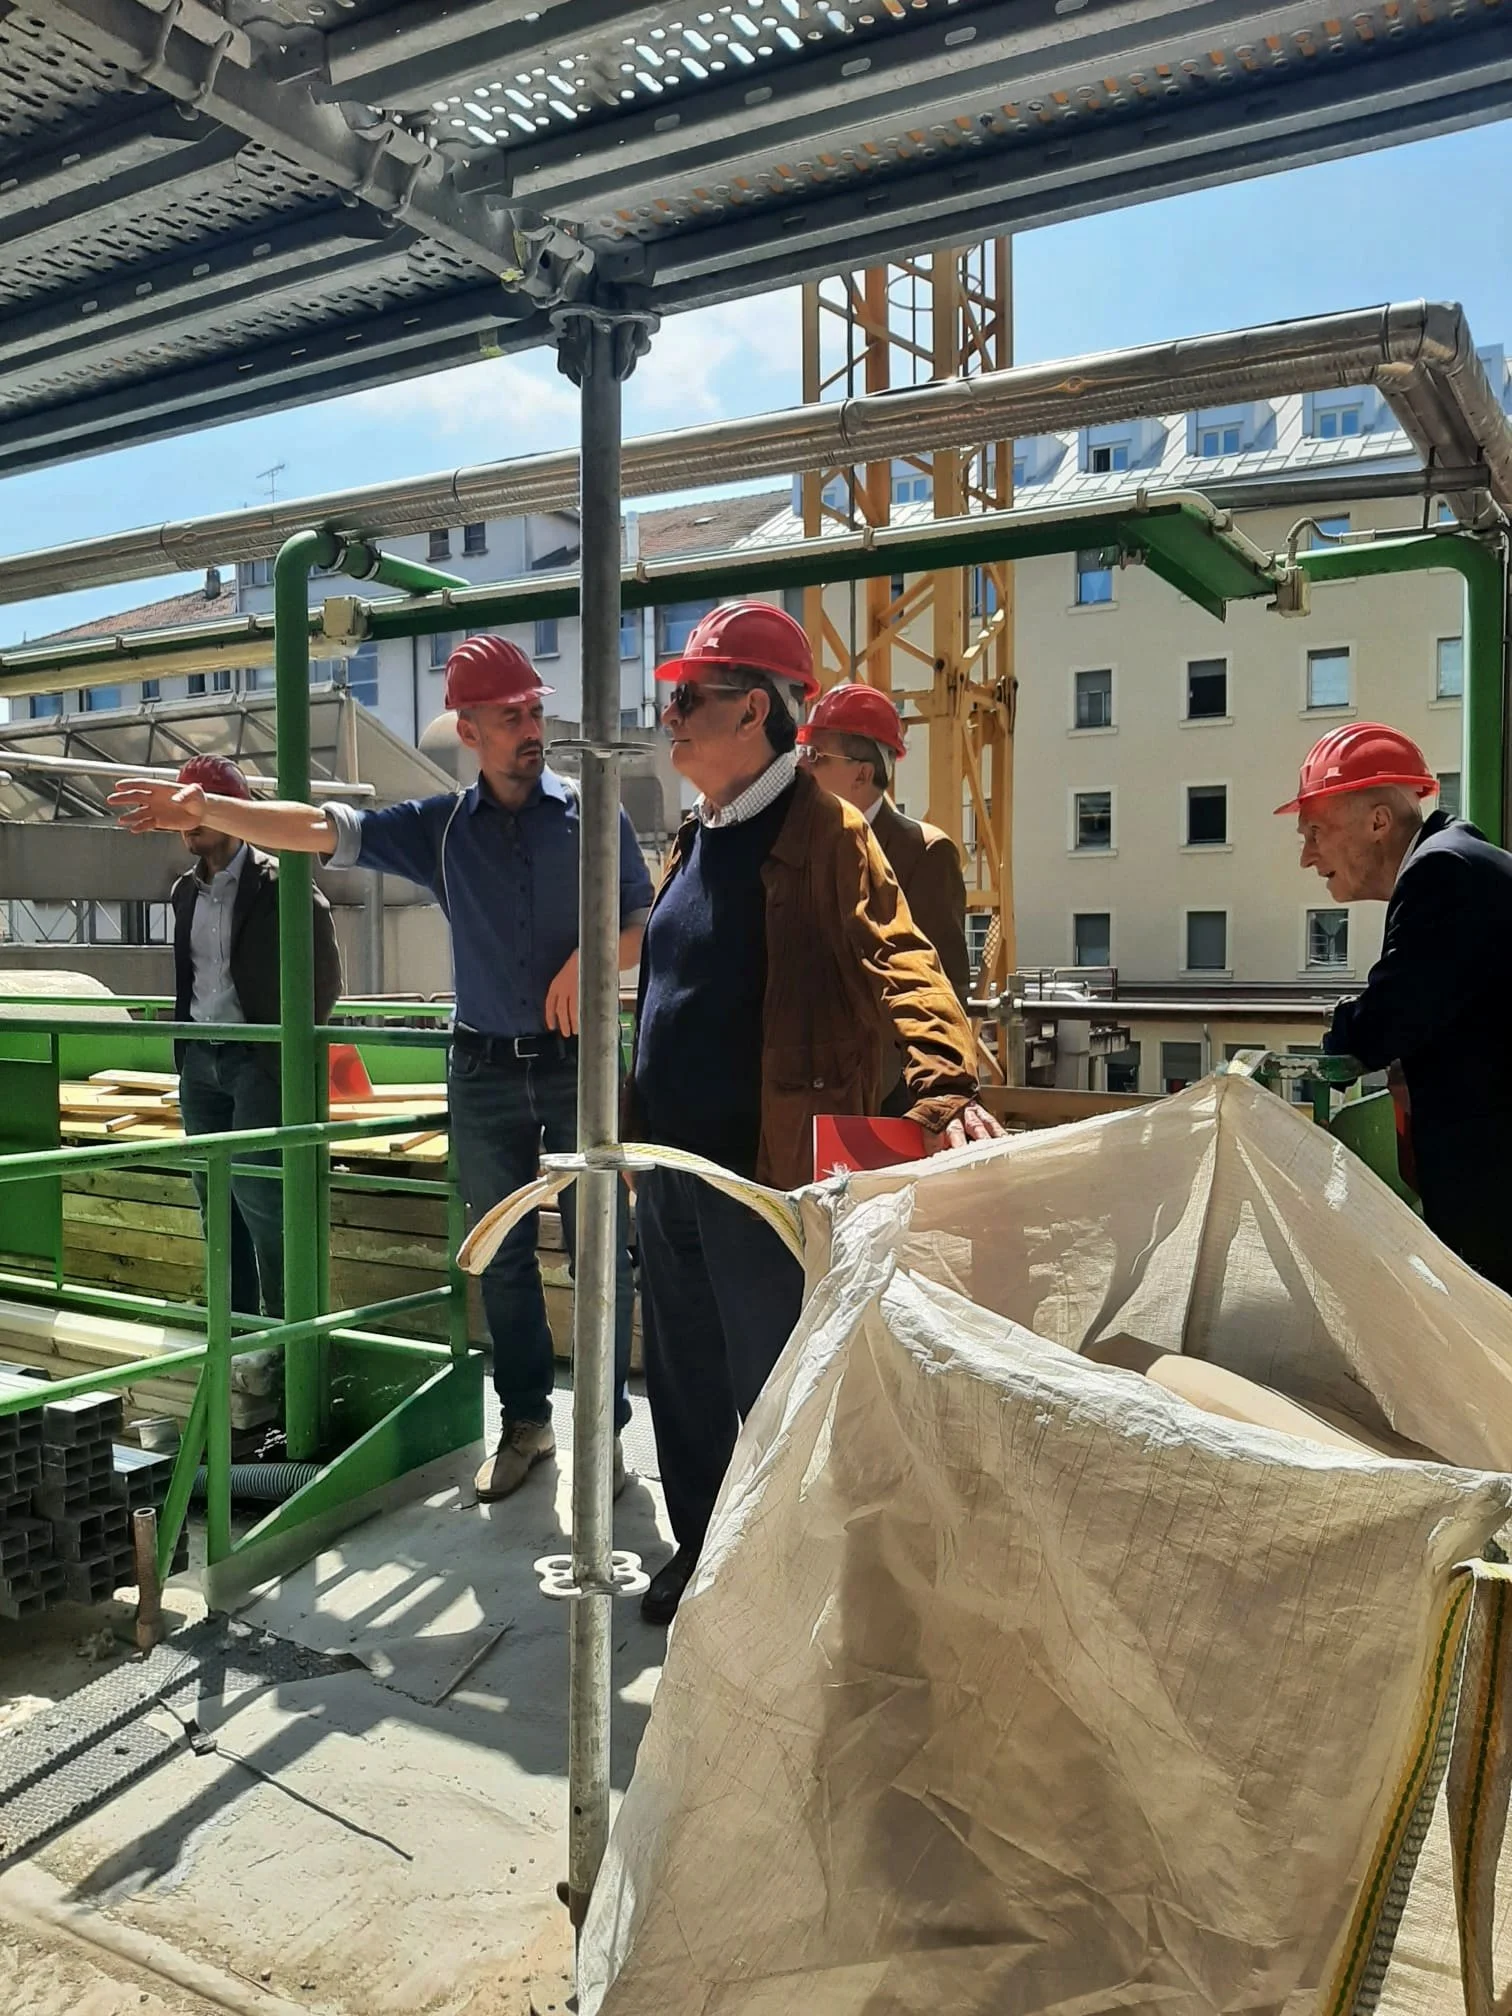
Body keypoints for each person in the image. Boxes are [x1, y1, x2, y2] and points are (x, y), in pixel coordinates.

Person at [113, 637, 654, 1500]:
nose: (531, 728)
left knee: (603, 1254)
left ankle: (606, 1439)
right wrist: (208, 811)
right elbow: (314, 828)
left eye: (533, 710)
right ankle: (527, 1426)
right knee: (503, 1256)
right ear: (468, 731)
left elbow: (640, 920)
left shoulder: (595, 817)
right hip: (480, 1068)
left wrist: (591, 957)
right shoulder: (439, 831)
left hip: (576, 1066)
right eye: (509, 716)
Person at [627, 600, 1003, 1624]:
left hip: (761, 1173)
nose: (673, 720)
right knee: (685, 1380)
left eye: (689, 701)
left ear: (753, 711)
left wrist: (945, 1083)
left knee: (777, 1387)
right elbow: (671, 992)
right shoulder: (696, 836)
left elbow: (904, 956)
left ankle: (788, 1576)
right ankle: (702, 1552)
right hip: (666, 1167)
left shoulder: (829, 833)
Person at [1280, 720, 1512, 1292]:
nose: (1307, 857)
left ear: (1378, 821)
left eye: (1315, 833)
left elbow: (1388, 1021)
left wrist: (1341, 1032)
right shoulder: (1459, 858)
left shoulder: (1440, 873)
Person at [169, 755, 343, 1319]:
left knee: (261, 1196)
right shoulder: (184, 892)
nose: (187, 820)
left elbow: (326, 977)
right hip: (201, 1062)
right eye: (183, 810)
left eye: (200, 807)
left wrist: (278, 1051)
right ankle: (234, 1331)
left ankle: (284, 1329)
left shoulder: (282, 882)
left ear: (233, 812)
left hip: (256, 1062)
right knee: (213, 1201)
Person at [796, 681, 972, 1111]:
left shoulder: (925, 852)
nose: (802, 768)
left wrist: (927, 1096)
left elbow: (943, 985)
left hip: (885, 1094)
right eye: (802, 753)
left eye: (817, 756)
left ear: (862, 772)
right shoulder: (801, 842)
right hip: (809, 1083)